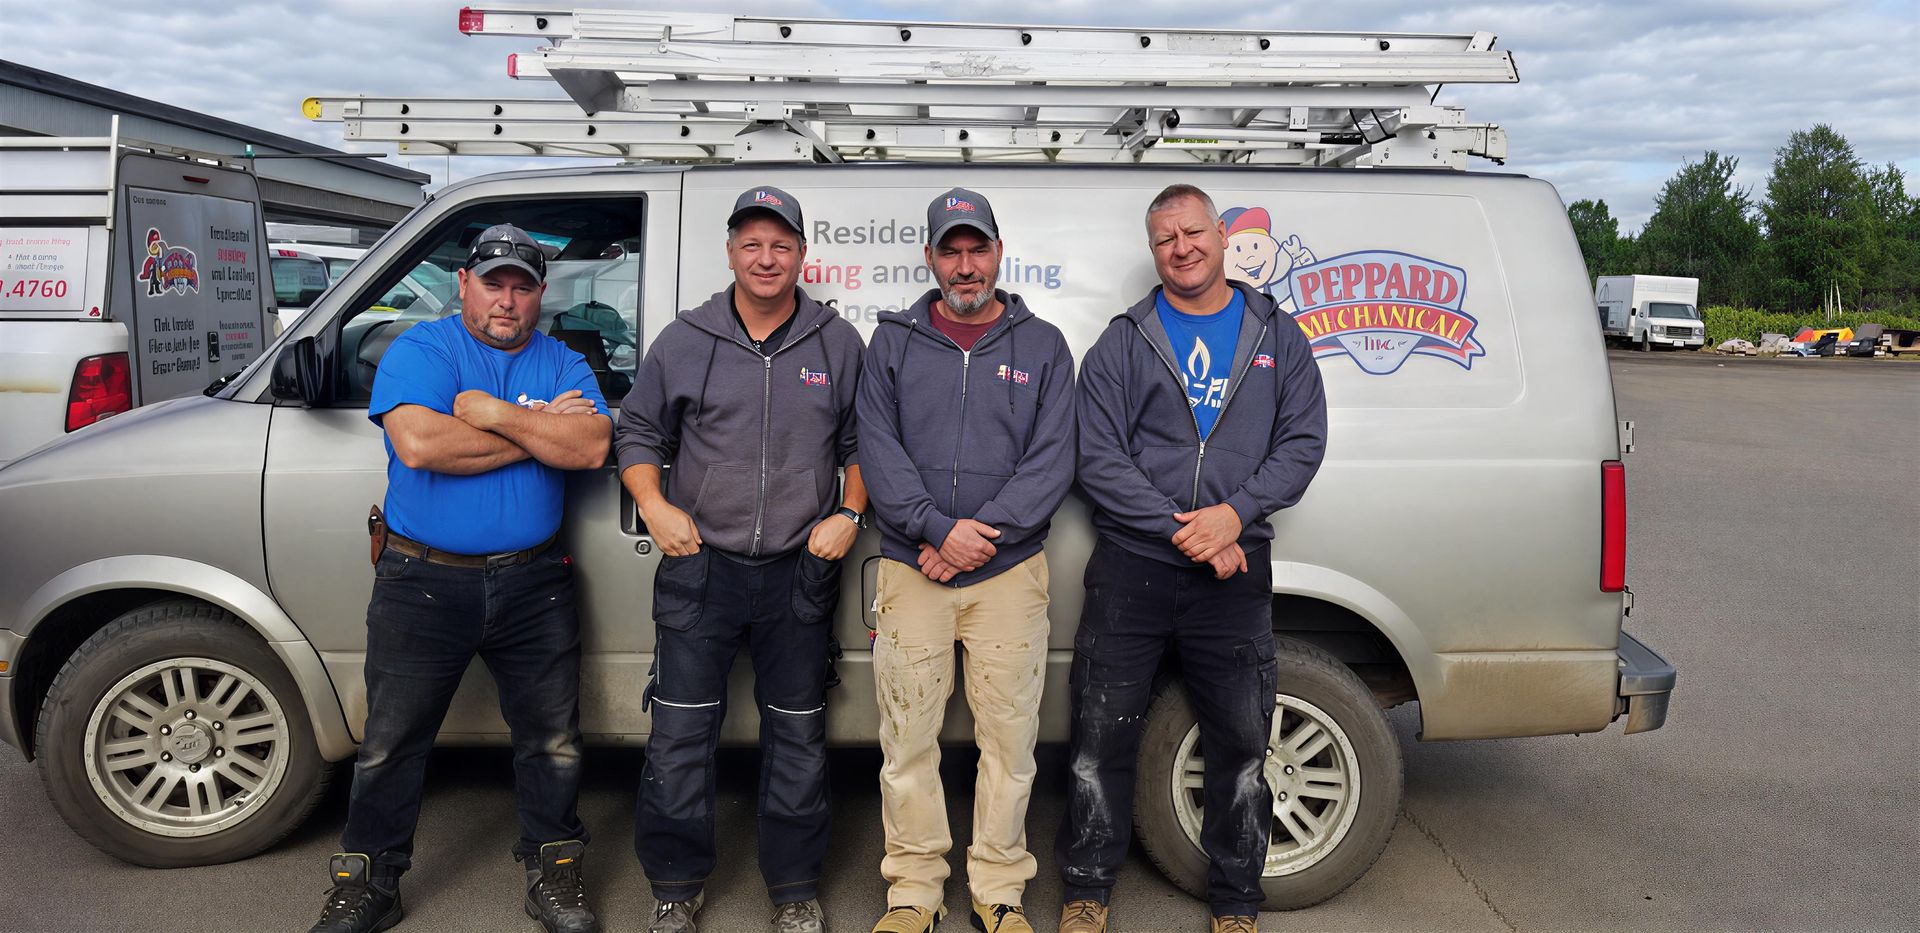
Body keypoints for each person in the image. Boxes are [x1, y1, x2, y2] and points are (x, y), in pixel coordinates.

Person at [310, 224, 612, 933]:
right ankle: (370, 885)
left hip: (535, 584)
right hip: (422, 581)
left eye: (522, 286)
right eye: (493, 283)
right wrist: (537, 429)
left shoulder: (565, 359)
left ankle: (555, 875)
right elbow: (420, 443)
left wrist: (491, 413)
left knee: (553, 741)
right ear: (463, 285)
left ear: (541, 295)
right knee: (390, 742)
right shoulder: (424, 348)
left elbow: (591, 444)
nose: (507, 300)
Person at [1056, 184, 1328, 933]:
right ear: (1154, 250)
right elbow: (1095, 456)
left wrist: (1234, 515)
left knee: (1241, 743)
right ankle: (1086, 888)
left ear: (1219, 234)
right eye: (1165, 237)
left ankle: (1237, 901)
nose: (1182, 246)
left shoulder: (1278, 336)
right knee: (1099, 736)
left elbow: (1303, 443)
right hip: (1131, 570)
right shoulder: (1124, 339)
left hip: (1234, 576)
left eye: (1193, 231)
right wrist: (1187, 528)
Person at [614, 185, 868, 933]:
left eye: (781, 244)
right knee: (681, 735)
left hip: (798, 571)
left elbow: (860, 444)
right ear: (730, 252)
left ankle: (793, 889)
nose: (767, 257)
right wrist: (656, 506)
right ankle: (675, 884)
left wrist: (850, 513)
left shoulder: (835, 342)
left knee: (797, 736)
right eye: (752, 243)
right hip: (702, 571)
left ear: (800, 254)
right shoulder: (686, 339)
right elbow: (637, 434)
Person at [855, 189, 1077, 933]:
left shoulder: (1042, 345)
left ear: (998, 253)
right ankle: (914, 888)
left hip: (1007, 574)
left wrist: (977, 534)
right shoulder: (892, 342)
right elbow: (876, 450)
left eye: (976, 248)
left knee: (1009, 741)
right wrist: (932, 529)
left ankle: (999, 886)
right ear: (929, 259)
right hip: (911, 566)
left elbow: (1053, 462)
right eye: (950, 250)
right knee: (907, 738)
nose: (965, 264)